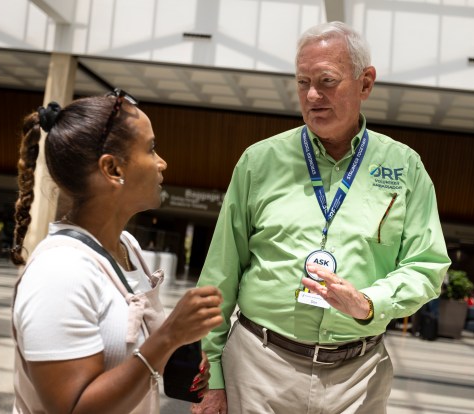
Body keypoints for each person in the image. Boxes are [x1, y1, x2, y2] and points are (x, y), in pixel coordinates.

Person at [193, 21, 451, 413]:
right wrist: (212, 373)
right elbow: (220, 272)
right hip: (259, 367)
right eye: (302, 82)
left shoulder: (404, 168)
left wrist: (368, 303)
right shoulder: (260, 162)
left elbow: (427, 265)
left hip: (358, 378)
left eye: (327, 81)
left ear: (365, 83)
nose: (312, 95)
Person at [10, 90, 223, 414]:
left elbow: (131, 358)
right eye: (151, 149)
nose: (162, 162)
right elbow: (72, 407)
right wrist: (168, 337)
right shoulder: (59, 273)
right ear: (112, 168)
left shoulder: (128, 248)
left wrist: (178, 351)